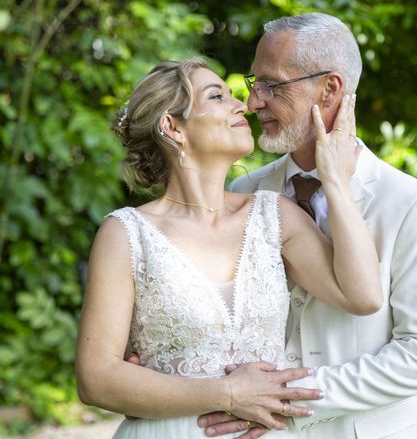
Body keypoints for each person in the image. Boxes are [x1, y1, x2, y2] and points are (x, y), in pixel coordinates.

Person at [75, 57, 383, 438]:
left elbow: (364, 296)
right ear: (172, 127)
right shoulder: (126, 233)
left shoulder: (275, 217)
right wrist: (226, 394)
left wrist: (335, 180)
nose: (243, 105)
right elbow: (95, 378)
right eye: (217, 96)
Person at [198, 13, 417, 439]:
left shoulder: (412, 206)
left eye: (272, 85)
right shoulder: (244, 190)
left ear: (330, 88)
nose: (254, 102)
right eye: (253, 84)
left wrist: (295, 395)